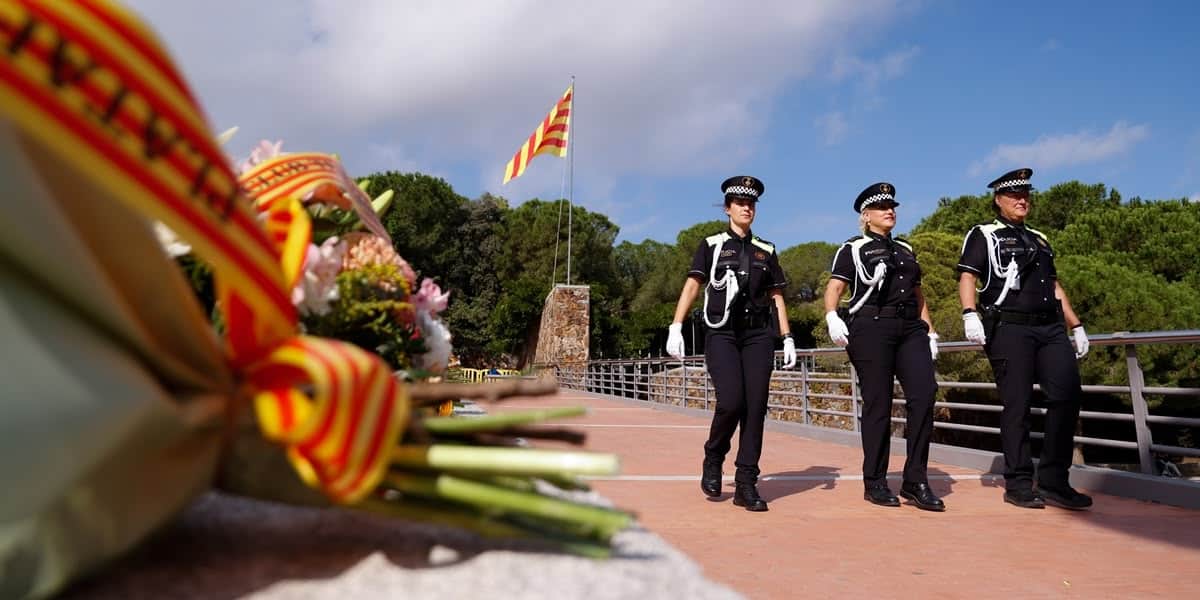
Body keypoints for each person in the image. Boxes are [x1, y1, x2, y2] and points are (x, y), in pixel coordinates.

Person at [956, 167, 1092, 510]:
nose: (1022, 200)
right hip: (1009, 328)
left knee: (1066, 397)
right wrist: (969, 313)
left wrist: (1076, 325)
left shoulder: (1040, 238)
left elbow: (1055, 287)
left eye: (1026, 194)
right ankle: (1018, 482)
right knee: (1017, 405)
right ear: (998, 199)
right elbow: (968, 276)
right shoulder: (984, 234)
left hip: (1050, 328)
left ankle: (1054, 481)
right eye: (1015, 195)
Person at [666, 175, 795, 512]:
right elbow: (694, 285)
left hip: (758, 335)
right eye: (740, 203)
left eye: (751, 203)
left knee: (755, 407)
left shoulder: (766, 249)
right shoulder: (710, 245)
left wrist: (787, 336)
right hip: (721, 332)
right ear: (728, 208)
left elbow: (777, 295)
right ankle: (714, 455)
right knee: (731, 401)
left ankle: (746, 483)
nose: (747, 208)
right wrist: (676, 325)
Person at [823, 182, 945, 511]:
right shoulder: (853, 248)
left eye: (892, 206)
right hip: (870, 328)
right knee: (879, 403)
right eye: (881, 208)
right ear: (866, 216)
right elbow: (835, 287)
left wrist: (930, 332)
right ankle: (875, 481)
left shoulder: (906, 249)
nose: (890, 211)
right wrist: (832, 316)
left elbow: (918, 295)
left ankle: (915, 479)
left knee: (924, 394)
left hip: (910, 329)